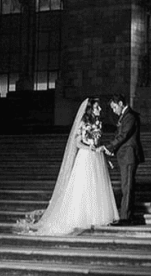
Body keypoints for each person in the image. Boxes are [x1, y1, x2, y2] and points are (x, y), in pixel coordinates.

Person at [16, 98, 117, 236]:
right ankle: (81, 217)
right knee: (83, 187)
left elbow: (99, 141)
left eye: (99, 107)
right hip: (86, 156)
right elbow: (77, 143)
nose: (99, 109)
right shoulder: (83, 123)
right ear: (90, 109)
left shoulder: (98, 123)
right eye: (96, 107)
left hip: (96, 157)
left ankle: (96, 216)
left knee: (97, 186)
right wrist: (90, 147)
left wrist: (104, 155)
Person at [104, 93, 144, 223]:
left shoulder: (130, 116)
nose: (114, 111)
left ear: (121, 104)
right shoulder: (125, 116)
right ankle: (127, 216)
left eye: (114, 107)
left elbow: (123, 136)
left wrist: (109, 147)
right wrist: (111, 149)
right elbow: (118, 135)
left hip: (129, 155)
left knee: (127, 187)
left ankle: (126, 217)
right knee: (126, 186)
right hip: (125, 155)